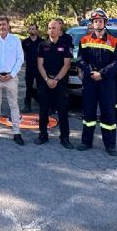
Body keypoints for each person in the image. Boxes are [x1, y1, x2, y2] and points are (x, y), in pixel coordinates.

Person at [76, 9, 117, 156]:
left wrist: (101, 73)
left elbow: (116, 63)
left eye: (100, 21)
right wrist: (90, 71)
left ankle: (110, 145)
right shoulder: (84, 40)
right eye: (95, 21)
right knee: (88, 112)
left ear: (105, 23)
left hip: (106, 82)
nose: (98, 23)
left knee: (108, 113)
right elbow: (80, 59)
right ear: (92, 23)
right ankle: (86, 142)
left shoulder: (114, 41)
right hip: (90, 81)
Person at [0, 16, 25, 145]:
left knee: (13, 105)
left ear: (8, 25)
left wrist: (12, 74)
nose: (2, 27)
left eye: (4, 24)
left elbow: (20, 59)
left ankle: (16, 132)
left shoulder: (16, 40)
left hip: (11, 77)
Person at [35, 19, 72, 149]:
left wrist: (56, 80)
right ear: (47, 30)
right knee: (43, 109)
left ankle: (65, 138)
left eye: (54, 28)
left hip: (60, 82)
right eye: (50, 28)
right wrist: (47, 80)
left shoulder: (65, 45)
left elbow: (67, 64)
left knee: (62, 110)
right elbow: (40, 64)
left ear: (59, 30)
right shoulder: (42, 45)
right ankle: (43, 135)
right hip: (45, 81)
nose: (52, 30)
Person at [21, 23, 42, 113]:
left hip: (39, 69)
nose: (32, 31)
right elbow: (22, 55)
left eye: (34, 29)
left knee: (41, 88)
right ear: (28, 30)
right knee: (28, 88)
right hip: (29, 69)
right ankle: (27, 106)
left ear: (37, 30)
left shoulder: (42, 42)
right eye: (30, 29)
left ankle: (43, 105)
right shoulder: (25, 42)